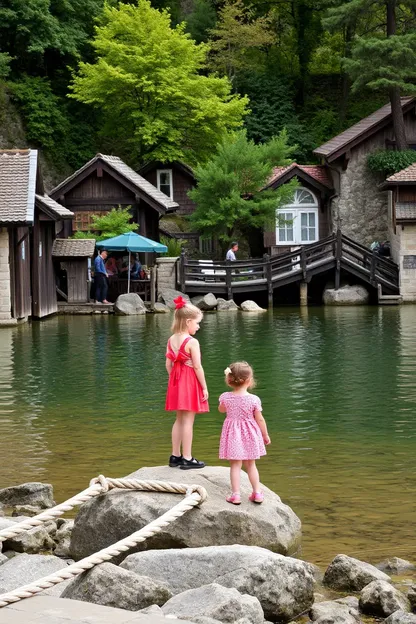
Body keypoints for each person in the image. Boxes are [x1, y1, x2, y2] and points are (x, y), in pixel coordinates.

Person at [165, 296, 209, 470]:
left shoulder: (171, 339)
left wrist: (175, 378)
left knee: (178, 419)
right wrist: (204, 387)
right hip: (189, 382)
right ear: (188, 321)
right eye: (197, 323)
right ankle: (188, 458)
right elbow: (197, 367)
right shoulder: (192, 342)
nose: (198, 327)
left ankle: (175, 455)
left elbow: (168, 364)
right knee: (188, 421)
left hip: (175, 382)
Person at [219, 362, 271, 505]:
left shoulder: (225, 397)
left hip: (233, 434)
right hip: (250, 434)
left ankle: (236, 495)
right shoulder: (254, 399)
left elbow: (221, 410)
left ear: (229, 380)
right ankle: (257, 493)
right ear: (249, 381)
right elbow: (259, 419)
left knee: (235, 465)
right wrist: (265, 435)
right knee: (251, 464)